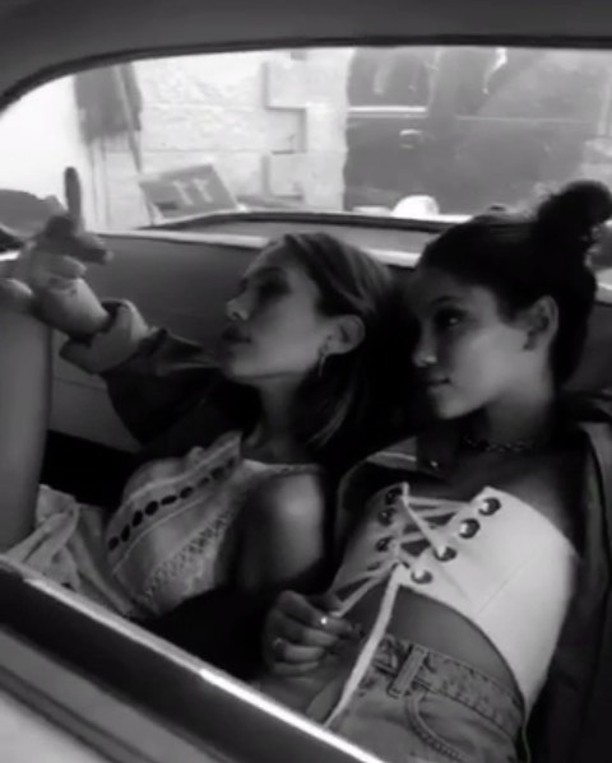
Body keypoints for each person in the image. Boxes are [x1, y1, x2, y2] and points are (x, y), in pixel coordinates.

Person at [256, 180, 612, 763]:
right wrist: (290, 624)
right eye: (415, 328)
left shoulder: (591, 469)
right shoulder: (392, 459)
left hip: (438, 734)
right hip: (275, 699)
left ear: (537, 323)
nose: (419, 352)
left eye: (449, 320)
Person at [0, 218, 410, 644]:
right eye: (242, 289)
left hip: (46, 608)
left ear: (340, 335)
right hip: (47, 537)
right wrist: (74, 303)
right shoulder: (222, 417)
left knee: (12, 304)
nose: (235, 307)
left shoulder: (293, 503)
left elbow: (219, 653)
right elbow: (149, 362)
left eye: (270, 290)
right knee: (16, 298)